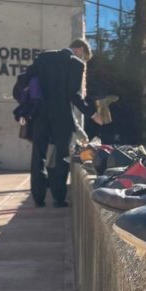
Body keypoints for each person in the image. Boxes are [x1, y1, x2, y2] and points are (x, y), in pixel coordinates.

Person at [23, 39, 101, 208]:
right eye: (84, 57)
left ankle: (38, 197)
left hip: (40, 114)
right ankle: (58, 198)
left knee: (38, 155)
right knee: (62, 157)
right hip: (62, 116)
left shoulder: (44, 57)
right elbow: (74, 95)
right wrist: (92, 114)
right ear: (80, 49)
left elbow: (26, 80)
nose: (84, 61)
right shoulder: (76, 64)